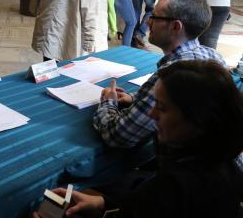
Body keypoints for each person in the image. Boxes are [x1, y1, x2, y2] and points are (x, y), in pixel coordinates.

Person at [46, 60, 243, 218]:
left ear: (198, 120)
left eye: (162, 108)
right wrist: (104, 203)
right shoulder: (223, 164)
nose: (151, 113)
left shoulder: (172, 188)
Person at [93, 0, 225, 148]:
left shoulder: (173, 76)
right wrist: (135, 98)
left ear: (176, 26)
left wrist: (108, 103)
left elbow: (118, 135)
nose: (148, 22)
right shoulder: (214, 57)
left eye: (154, 17)